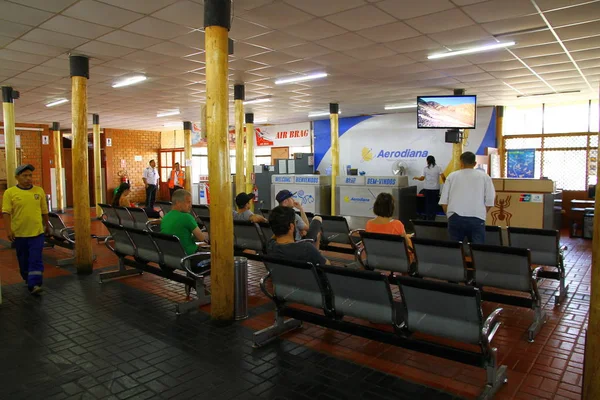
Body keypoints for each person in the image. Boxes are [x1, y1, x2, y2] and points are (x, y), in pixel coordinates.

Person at [2, 164, 51, 295]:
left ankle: (34, 283)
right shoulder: (10, 193)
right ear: (17, 177)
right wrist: (8, 230)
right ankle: (27, 278)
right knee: (23, 259)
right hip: (20, 233)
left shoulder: (38, 191)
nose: (28, 178)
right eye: (25, 176)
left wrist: (47, 225)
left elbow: (44, 210)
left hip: (37, 232)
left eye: (30, 175)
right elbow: (6, 213)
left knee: (35, 258)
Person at [439, 151, 496, 244]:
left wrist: (449, 215)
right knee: (477, 251)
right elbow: (490, 200)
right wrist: (481, 213)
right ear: (475, 164)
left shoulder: (452, 176)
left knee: (455, 250)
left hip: (455, 217)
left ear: (461, 163)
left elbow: (444, 201)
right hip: (477, 218)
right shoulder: (485, 177)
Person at [161, 189, 207, 255]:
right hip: (189, 256)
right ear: (178, 203)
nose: (190, 205)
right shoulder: (187, 217)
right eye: (188, 202)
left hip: (172, 255)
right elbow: (202, 238)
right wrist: (205, 235)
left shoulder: (165, 217)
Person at [413, 155, 446, 221]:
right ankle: (433, 218)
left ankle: (428, 218)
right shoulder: (438, 168)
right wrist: (446, 184)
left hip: (427, 188)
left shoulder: (425, 168)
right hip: (436, 189)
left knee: (428, 203)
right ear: (434, 160)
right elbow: (443, 177)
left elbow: (422, 179)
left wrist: (416, 177)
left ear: (427, 161)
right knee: (434, 203)